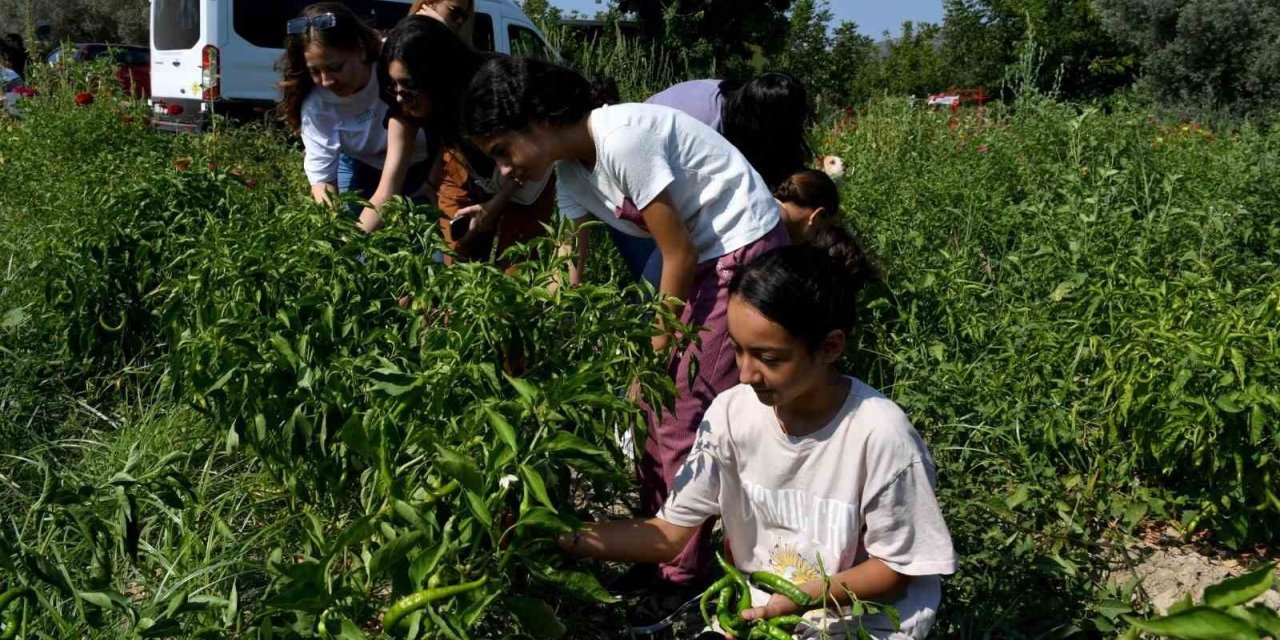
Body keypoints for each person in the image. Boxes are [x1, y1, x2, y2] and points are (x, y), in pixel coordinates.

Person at [462, 56, 791, 627]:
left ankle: (682, 575)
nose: (504, 168)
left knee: (680, 407)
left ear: (537, 121)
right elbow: (569, 261)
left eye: (502, 150)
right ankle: (654, 545)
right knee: (645, 407)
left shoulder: (621, 137)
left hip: (738, 248)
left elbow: (678, 252)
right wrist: (532, 320)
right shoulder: (571, 173)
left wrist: (656, 347)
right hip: (699, 260)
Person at [556, 225, 957, 639]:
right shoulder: (732, 414)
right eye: (737, 349)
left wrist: (799, 599)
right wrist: (560, 537)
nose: (746, 373)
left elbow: (896, 568)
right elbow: (669, 534)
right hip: (765, 611)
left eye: (768, 357)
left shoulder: (880, 435)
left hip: (860, 622)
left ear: (831, 347)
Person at [612, 73, 812, 284]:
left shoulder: (747, 107)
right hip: (632, 183)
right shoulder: (703, 127)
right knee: (660, 278)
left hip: (667, 171)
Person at [277, 3, 434, 218]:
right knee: (353, 225)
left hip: (423, 164)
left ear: (360, 48)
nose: (326, 81)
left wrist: (433, 180)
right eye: (314, 71)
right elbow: (323, 182)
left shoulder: (394, 66)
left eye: (335, 68)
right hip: (363, 166)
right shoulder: (316, 106)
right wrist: (335, 226)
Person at [773, 169, 840, 243]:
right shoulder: (775, 241)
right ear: (816, 216)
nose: (811, 239)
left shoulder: (765, 196)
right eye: (817, 232)